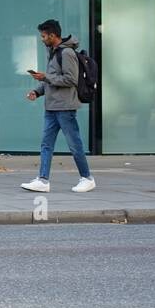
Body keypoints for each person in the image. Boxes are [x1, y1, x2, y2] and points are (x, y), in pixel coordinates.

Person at [21, 19, 95, 193]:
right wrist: (37, 92)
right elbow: (52, 78)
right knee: (46, 144)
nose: (41, 39)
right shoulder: (52, 51)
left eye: (43, 36)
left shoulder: (66, 53)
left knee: (74, 145)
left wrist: (45, 77)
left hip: (65, 107)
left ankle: (87, 178)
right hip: (51, 107)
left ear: (53, 35)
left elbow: (70, 80)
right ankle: (43, 180)